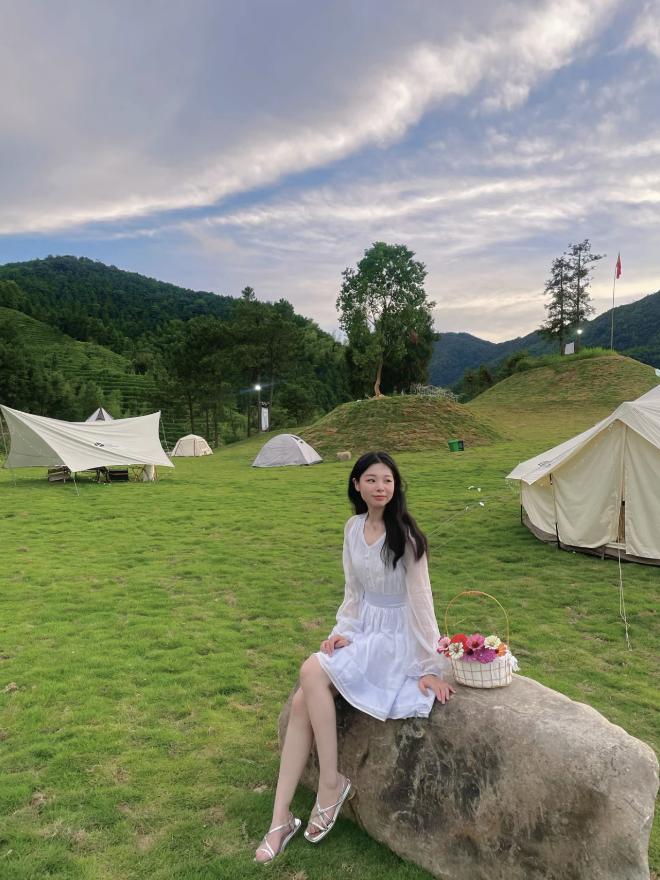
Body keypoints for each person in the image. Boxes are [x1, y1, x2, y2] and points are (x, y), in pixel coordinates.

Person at [254, 451, 455, 864]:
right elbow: (354, 592)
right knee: (302, 702)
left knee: (310, 670)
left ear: (396, 486)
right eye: (372, 479)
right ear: (357, 484)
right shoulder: (352, 528)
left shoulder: (407, 537)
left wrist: (431, 666)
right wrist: (342, 632)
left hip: (395, 637)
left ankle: (330, 783)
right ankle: (280, 819)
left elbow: (422, 603)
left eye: (388, 480)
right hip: (364, 630)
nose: (381, 487)